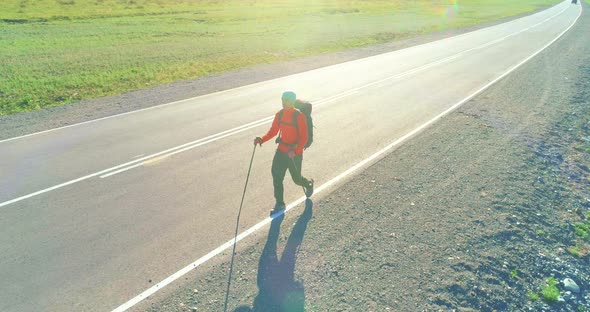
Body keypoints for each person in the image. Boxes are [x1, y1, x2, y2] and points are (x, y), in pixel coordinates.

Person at [254, 91, 314, 216]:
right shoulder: (279, 115)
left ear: (292, 102)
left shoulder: (299, 116)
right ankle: (280, 203)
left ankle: (308, 184)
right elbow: (273, 131)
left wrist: (296, 151)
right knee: (276, 176)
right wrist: (262, 139)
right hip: (281, 151)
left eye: (286, 100)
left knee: (297, 179)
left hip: (294, 154)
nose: (283, 102)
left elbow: (304, 138)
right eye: (282, 99)